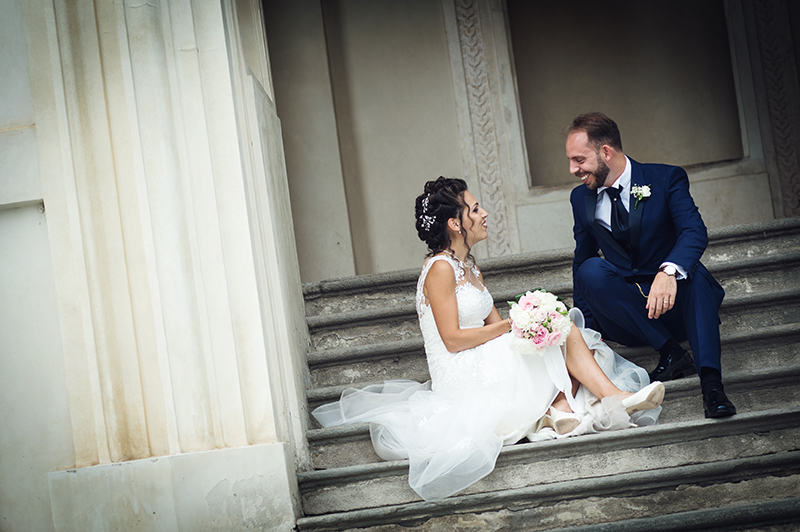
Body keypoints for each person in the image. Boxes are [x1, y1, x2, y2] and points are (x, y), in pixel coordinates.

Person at [312, 176, 664, 501]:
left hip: (482, 356)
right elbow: (452, 338)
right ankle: (613, 398)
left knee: (553, 331)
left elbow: (498, 324)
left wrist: (530, 324)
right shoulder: (439, 269)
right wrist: (515, 325)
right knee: (566, 331)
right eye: (475, 209)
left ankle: (557, 410)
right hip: (461, 372)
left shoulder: (468, 265)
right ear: (454, 223)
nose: (484, 214)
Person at [566, 112, 736, 419]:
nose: (572, 169)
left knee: (695, 276)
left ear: (606, 152)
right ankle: (670, 351)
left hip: (677, 305)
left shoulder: (666, 178)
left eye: (579, 159)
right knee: (591, 269)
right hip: (632, 317)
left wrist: (668, 270)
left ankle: (712, 386)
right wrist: (586, 328)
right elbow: (582, 259)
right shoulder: (581, 198)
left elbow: (693, 231)